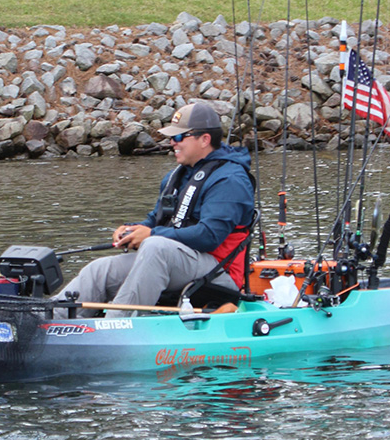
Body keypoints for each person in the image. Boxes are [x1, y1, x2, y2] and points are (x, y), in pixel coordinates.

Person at [54, 102, 254, 318]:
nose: (172, 143)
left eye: (179, 137)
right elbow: (157, 220)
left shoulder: (230, 180)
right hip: (174, 258)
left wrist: (151, 234)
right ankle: (48, 320)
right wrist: (134, 230)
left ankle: (117, 327)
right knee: (101, 269)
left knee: (155, 247)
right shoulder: (177, 176)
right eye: (171, 137)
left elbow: (209, 236)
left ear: (204, 139)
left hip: (218, 271)